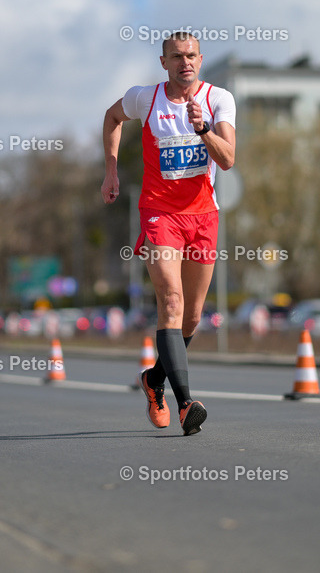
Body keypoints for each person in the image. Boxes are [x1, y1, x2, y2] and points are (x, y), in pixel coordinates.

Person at [101, 31, 237, 436]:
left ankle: (153, 379)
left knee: (192, 317)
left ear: (201, 58)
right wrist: (111, 169)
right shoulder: (146, 98)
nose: (185, 63)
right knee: (172, 303)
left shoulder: (219, 99)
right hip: (160, 213)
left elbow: (228, 160)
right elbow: (111, 118)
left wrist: (203, 129)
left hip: (203, 216)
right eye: (176, 56)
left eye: (192, 55)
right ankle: (185, 404)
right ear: (164, 62)